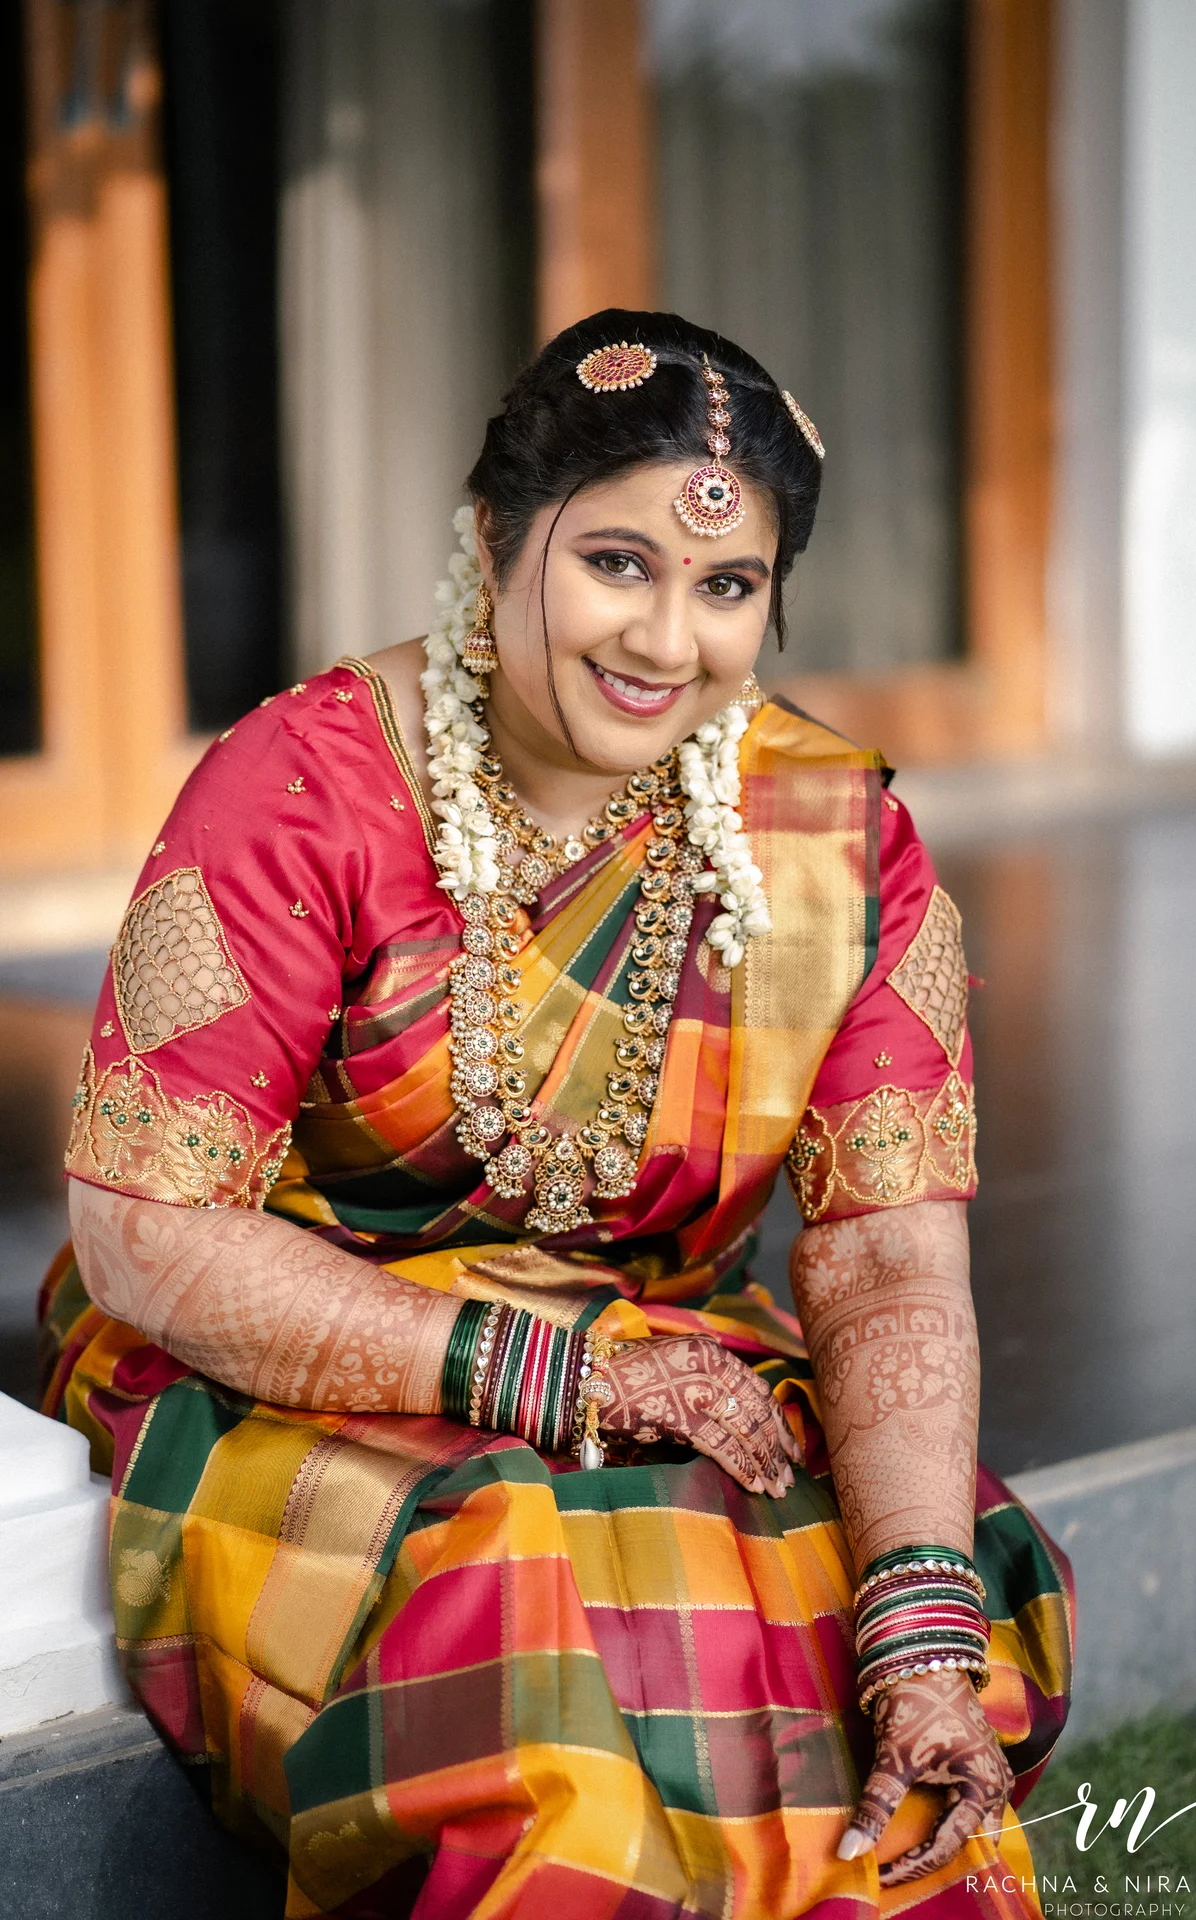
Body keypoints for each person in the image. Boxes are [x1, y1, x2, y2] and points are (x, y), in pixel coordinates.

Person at [42, 310, 1072, 1919]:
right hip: (294, 1360)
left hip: (664, 1351)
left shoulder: (831, 838)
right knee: (512, 1607)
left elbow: (888, 1260)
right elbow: (142, 1234)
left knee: (841, 1579)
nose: (666, 638)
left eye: (727, 586)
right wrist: (543, 1374)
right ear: (491, 541)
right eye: (615, 564)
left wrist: (922, 1626)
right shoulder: (304, 788)